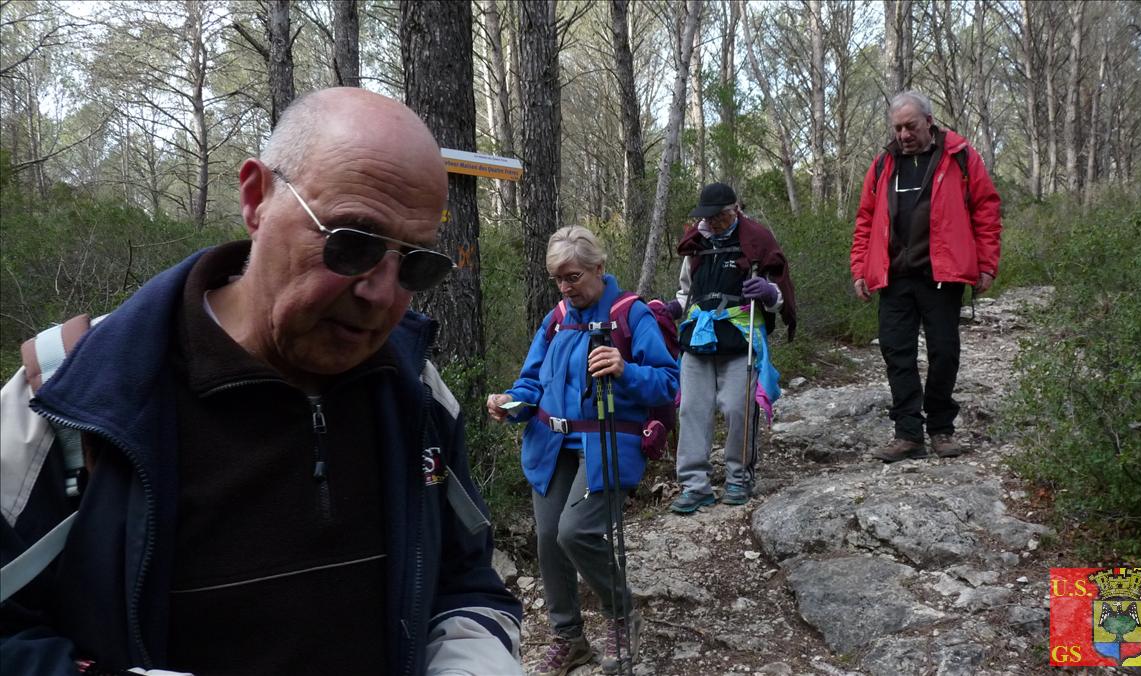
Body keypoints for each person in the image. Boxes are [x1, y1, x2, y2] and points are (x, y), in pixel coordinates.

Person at [0, 88, 522, 675]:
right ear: (256, 198)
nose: (381, 292)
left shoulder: (416, 392)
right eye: (352, 243)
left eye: (416, 263)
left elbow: (466, 582)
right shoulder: (70, 398)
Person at [486, 226, 678, 676]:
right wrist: (510, 404)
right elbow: (531, 381)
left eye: (572, 276)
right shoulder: (556, 318)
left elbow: (669, 382)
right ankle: (569, 638)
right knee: (550, 539)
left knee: (576, 532)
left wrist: (625, 368)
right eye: (558, 278)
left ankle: (621, 613)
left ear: (598, 268)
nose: (565, 287)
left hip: (609, 442)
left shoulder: (631, 315)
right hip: (550, 443)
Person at [850, 90, 1002, 462]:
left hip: (942, 275)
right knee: (896, 354)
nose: (903, 134)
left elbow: (986, 210)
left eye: (910, 126)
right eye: (898, 127)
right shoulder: (884, 164)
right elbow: (866, 219)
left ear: (929, 122)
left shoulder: (960, 157)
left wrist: (986, 264)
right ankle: (908, 434)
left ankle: (941, 429)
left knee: (944, 353)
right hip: (895, 277)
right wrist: (860, 268)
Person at [666, 183, 797, 515]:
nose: (712, 224)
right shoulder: (696, 243)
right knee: (692, 409)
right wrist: (673, 309)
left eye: (718, 218)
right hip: (698, 335)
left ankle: (739, 478)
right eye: (707, 218)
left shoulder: (757, 240)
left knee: (738, 407)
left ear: (733, 211)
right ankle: (695, 486)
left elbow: (779, 287)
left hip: (739, 334)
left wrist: (768, 292)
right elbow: (686, 291)